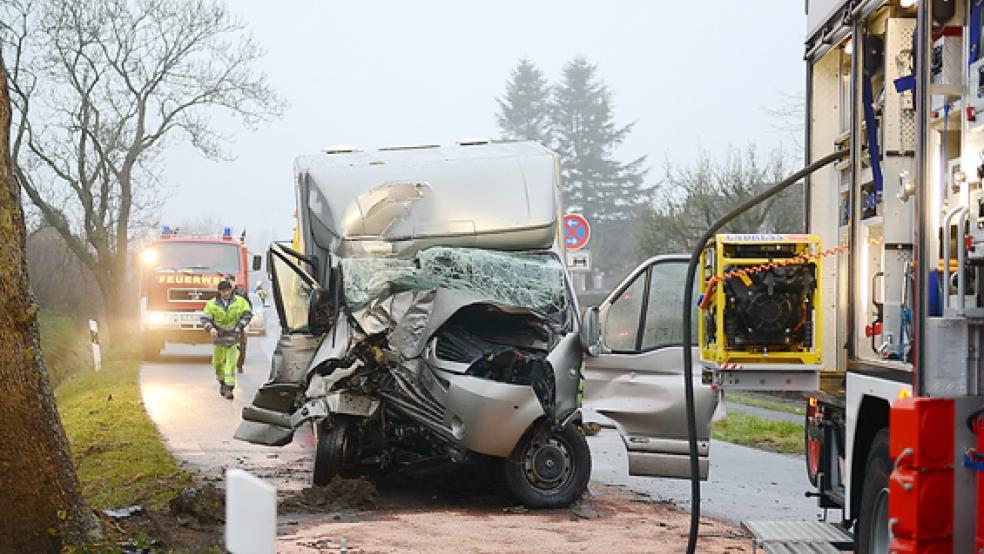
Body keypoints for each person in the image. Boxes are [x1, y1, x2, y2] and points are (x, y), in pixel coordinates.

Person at [201, 279, 252, 400]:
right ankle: (222, 382)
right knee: (218, 363)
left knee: (231, 363)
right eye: (223, 291)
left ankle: (229, 388)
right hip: (219, 338)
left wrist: (240, 326)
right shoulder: (212, 304)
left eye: (228, 290)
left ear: (231, 290)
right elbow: (205, 319)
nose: (226, 293)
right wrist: (211, 329)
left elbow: (248, 314)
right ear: (219, 291)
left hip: (233, 338)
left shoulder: (240, 302)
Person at [226, 274, 252, 374]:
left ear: (234, 282)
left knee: (242, 345)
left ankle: (239, 365)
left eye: (231, 282)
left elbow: (248, 307)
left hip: (240, 323)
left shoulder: (241, 293)